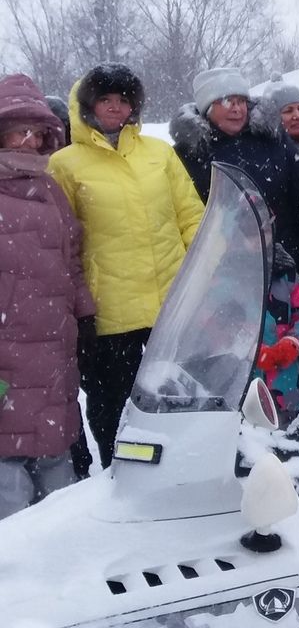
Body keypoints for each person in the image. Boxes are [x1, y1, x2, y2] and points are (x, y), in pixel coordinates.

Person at [49, 64, 204, 467]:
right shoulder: (65, 164)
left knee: (176, 398)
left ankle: (180, 470)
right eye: (105, 100)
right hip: (110, 312)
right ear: (88, 107)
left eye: (123, 100)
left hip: (170, 304)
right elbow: (62, 241)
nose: (116, 108)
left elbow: (191, 216)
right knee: (114, 409)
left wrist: (205, 272)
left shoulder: (159, 152)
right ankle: (121, 479)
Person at [0, 75, 95, 518]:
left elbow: (71, 255)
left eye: (37, 132)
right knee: (9, 479)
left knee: (57, 470)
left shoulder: (50, 188)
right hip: (7, 356)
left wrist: (83, 310)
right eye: (20, 130)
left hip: (54, 348)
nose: (30, 140)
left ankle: (63, 570)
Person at [170, 67, 299, 273]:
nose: (237, 109)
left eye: (241, 101)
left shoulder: (272, 139)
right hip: (222, 272)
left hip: (286, 264)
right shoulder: (187, 154)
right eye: (227, 101)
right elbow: (186, 219)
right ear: (207, 106)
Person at [253, 242, 299, 423]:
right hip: (239, 390)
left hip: (286, 391)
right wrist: (245, 348)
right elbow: (212, 324)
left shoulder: (287, 276)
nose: (254, 241)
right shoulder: (226, 273)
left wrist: (293, 342)